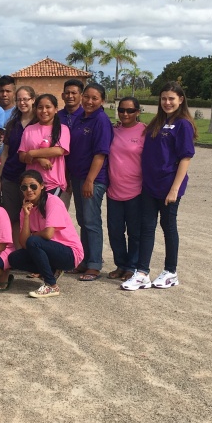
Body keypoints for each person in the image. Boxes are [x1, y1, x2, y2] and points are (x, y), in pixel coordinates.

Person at [121, 82, 196, 291]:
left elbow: (185, 157)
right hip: (150, 185)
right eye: (164, 98)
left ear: (180, 100)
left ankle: (170, 271)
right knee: (147, 227)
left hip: (169, 186)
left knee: (168, 226)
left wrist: (174, 189)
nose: (167, 102)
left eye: (171, 98)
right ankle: (142, 273)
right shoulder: (157, 123)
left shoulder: (183, 124)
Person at [8, 170, 83, 298]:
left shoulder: (52, 201)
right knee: (14, 258)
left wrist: (33, 236)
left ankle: (51, 285)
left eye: (33, 186)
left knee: (33, 241)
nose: (29, 190)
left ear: (42, 186)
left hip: (69, 253)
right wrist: (26, 216)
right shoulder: (26, 208)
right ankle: (53, 270)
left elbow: (48, 234)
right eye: (24, 187)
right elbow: (23, 243)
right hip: (49, 250)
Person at [65, 83, 113, 281]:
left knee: (92, 221)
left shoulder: (100, 120)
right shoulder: (81, 118)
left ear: (102, 100)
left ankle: (94, 264)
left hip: (92, 179)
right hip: (78, 178)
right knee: (83, 220)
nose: (90, 101)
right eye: (87, 97)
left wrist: (90, 180)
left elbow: (100, 153)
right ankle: (85, 260)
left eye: (95, 98)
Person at [106, 97, 146, 281]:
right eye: (122, 110)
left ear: (138, 111)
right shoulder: (113, 131)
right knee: (115, 230)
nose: (125, 114)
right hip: (114, 189)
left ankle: (132, 266)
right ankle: (121, 264)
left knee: (134, 232)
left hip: (136, 190)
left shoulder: (145, 132)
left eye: (130, 111)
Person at [0, 85, 36, 247]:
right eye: (19, 99)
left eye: (25, 99)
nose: (22, 103)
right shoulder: (12, 124)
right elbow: (5, 152)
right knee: (11, 216)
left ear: (33, 100)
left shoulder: (39, 123)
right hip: (10, 176)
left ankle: (30, 253)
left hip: (31, 178)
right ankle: (15, 251)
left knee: (32, 217)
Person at [18, 94, 70, 195]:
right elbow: (22, 156)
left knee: (49, 210)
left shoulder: (62, 129)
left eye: (48, 107)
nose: (44, 111)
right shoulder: (29, 130)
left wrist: (32, 153)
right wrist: (39, 159)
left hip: (53, 183)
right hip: (31, 184)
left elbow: (59, 150)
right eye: (40, 108)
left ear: (56, 109)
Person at [57, 79, 85, 209]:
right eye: (67, 93)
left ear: (81, 95)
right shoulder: (56, 117)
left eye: (74, 93)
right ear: (62, 95)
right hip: (60, 171)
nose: (70, 96)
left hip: (82, 172)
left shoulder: (88, 116)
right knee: (60, 209)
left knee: (85, 216)